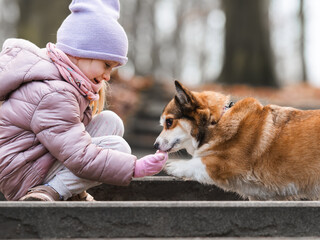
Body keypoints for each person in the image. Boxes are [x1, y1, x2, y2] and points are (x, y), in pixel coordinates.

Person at [0, 0, 167, 201]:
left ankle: (67, 188)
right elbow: (79, 155)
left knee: (110, 121)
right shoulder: (55, 93)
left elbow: (71, 141)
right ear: (80, 53)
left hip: (35, 160)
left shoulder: (63, 81)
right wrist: (134, 167)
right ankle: (49, 191)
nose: (107, 76)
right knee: (119, 148)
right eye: (106, 64)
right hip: (22, 174)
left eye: (112, 68)